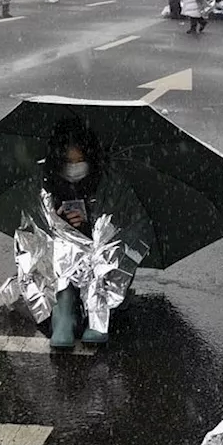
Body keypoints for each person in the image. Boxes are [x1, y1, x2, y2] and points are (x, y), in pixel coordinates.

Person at [41, 123, 154, 348]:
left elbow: (125, 226)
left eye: (78, 162)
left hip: (102, 257)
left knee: (108, 247)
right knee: (59, 244)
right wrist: (61, 223)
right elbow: (37, 227)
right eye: (68, 162)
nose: (74, 168)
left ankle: (97, 310)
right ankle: (64, 311)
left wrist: (89, 226)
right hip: (68, 263)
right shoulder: (48, 183)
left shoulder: (110, 183)